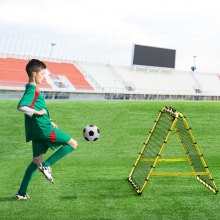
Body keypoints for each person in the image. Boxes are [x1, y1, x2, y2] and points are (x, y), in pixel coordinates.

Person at [15, 59, 78, 200]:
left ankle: (21, 193)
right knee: (73, 144)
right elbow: (21, 106)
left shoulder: (32, 88)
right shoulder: (32, 88)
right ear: (33, 74)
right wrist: (39, 114)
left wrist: (49, 119)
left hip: (39, 130)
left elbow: (36, 106)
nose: (44, 76)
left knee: (35, 162)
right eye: (42, 74)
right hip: (43, 129)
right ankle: (47, 165)